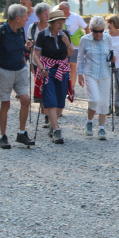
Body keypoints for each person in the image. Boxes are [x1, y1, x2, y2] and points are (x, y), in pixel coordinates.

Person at [0, 4, 35, 149]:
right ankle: (3, 136)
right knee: (5, 104)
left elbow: (18, 48)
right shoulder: (0, 32)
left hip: (20, 70)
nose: (27, 18)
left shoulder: (20, 31)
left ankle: (22, 133)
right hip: (5, 71)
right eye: (25, 16)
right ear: (17, 18)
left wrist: (26, 46)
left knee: (25, 100)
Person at [32, 10, 73, 144]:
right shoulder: (43, 35)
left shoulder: (65, 34)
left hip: (62, 69)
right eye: (58, 22)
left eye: (63, 22)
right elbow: (36, 55)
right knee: (50, 100)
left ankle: (52, 123)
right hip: (47, 70)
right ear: (51, 23)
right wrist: (41, 68)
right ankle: (56, 131)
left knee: (61, 101)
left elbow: (71, 53)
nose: (61, 25)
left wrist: (67, 43)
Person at [77, 16, 115, 140]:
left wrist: (113, 59)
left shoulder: (108, 38)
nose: (98, 34)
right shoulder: (85, 40)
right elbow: (80, 58)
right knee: (94, 99)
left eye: (101, 31)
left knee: (104, 101)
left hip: (105, 73)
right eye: (95, 31)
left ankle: (102, 128)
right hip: (90, 73)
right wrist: (79, 74)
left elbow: (111, 54)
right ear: (91, 29)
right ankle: (89, 121)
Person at [28, 2, 51, 103]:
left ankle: (46, 104)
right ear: (38, 15)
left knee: (48, 82)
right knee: (38, 80)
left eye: (48, 13)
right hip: (36, 60)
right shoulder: (33, 28)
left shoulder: (51, 27)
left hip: (49, 60)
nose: (47, 16)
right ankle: (40, 99)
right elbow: (28, 43)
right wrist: (28, 44)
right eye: (44, 14)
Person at [59, 1, 89, 80]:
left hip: (75, 46)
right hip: (63, 46)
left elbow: (86, 27)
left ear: (67, 9)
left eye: (60, 9)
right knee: (64, 67)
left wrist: (88, 41)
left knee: (73, 66)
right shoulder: (58, 18)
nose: (59, 10)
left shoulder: (76, 17)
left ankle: (72, 88)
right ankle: (65, 86)